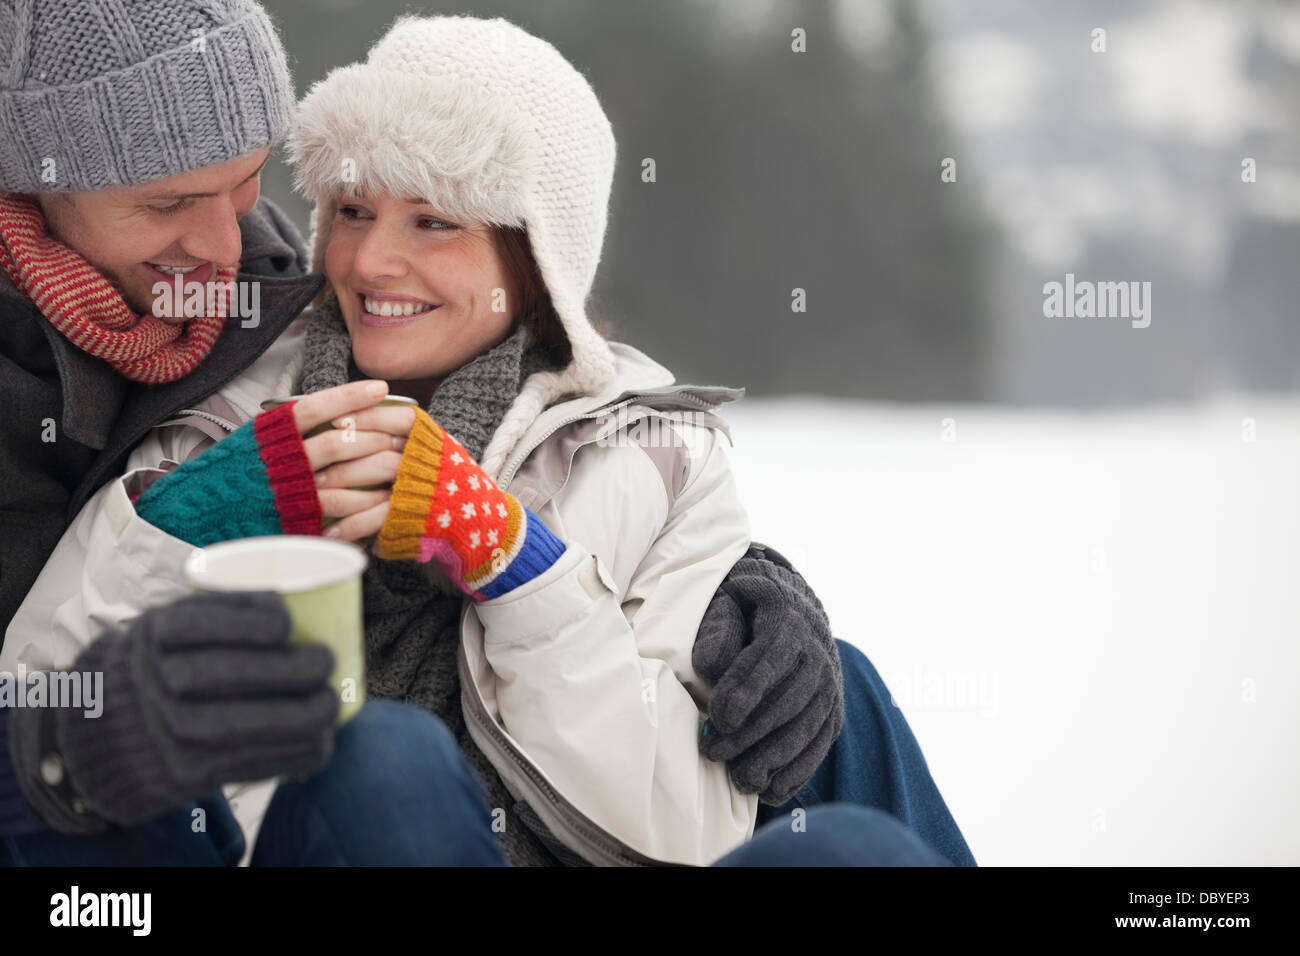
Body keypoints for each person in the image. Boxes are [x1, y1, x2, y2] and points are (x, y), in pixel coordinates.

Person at [10, 14, 971, 866]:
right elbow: (41, 723)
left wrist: (522, 566)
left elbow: (695, 830)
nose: (373, 259)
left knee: (857, 849)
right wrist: (185, 524)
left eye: (433, 220)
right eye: (352, 210)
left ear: (537, 255)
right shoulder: (225, 407)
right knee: (385, 756)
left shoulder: (658, 455)